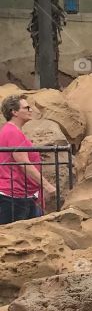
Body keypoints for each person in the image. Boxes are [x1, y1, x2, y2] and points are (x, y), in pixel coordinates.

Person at [0, 95, 56, 223]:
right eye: (26, 108)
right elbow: (24, 163)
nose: (30, 110)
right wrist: (47, 185)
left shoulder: (10, 131)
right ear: (14, 112)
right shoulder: (12, 132)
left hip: (20, 194)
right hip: (15, 196)